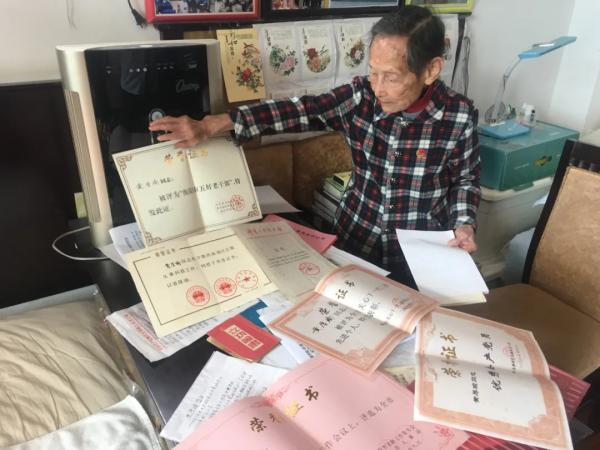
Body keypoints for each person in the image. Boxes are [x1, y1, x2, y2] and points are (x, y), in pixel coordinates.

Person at [149, 5, 481, 275]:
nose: (378, 88)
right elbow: (299, 111)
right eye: (373, 72)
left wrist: (464, 224)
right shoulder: (361, 98)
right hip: (356, 241)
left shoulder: (459, 115)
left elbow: (465, 179)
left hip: (421, 259)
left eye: (391, 77)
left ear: (431, 70)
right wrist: (212, 125)